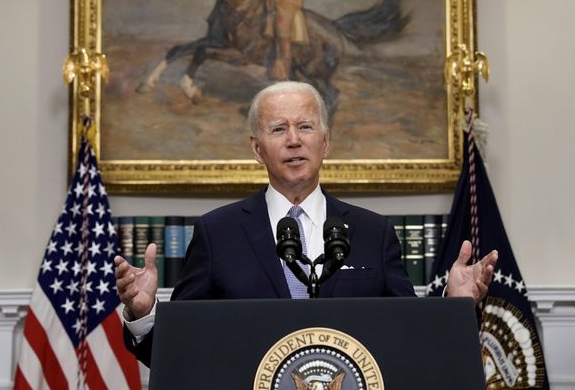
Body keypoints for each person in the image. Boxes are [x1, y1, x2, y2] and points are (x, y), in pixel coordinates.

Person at [114, 81, 498, 366]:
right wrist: (142, 314)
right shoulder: (218, 233)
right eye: (279, 129)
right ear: (257, 148)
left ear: (326, 142)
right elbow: (181, 352)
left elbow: (409, 341)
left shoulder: (372, 232)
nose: (294, 140)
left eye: (306, 127)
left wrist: (457, 305)